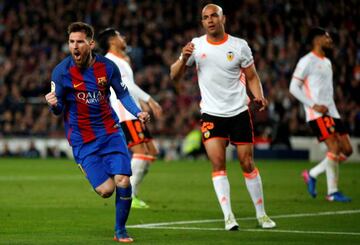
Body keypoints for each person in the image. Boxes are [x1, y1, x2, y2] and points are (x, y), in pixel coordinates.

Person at [170, 4, 276, 230]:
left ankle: (262, 214)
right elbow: (174, 76)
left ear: (223, 18)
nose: (210, 20)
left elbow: (252, 76)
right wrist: (182, 59)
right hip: (211, 113)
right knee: (218, 163)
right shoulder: (195, 46)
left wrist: (259, 96)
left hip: (239, 111)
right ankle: (229, 217)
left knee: (247, 163)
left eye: (214, 16)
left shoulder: (239, 46)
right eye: (205, 17)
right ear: (202, 22)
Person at [45, 22, 150, 243]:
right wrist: (54, 105)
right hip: (83, 140)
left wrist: (137, 112)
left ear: (90, 43)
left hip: (110, 133)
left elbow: (122, 94)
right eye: (72, 42)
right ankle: (86, 165)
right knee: (106, 190)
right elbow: (59, 110)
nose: (75, 46)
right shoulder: (61, 72)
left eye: (80, 41)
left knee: (123, 180)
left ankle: (120, 230)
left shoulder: (108, 67)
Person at [97, 28, 162, 209]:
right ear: (112, 41)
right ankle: (129, 194)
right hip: (124, 114)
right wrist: (149, 99)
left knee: (151, 152)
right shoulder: (111, 61)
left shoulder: (123, 60)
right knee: (142, 152)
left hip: (133, 113)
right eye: (120, 35)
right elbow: (126, 86)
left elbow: (129, 88)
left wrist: (142, 102)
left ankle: (132, 193)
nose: (123, 38)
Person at [289, 27, 353, 202]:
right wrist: (313, 105)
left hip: (333, 111)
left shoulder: (327, 61)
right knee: (334, 149)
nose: (330, 39)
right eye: (326, 37)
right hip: (317, 114)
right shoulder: (306, 61)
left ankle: (312, 173)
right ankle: (333, 192)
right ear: (316, 40)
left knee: (347, 150)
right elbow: (293, 87)